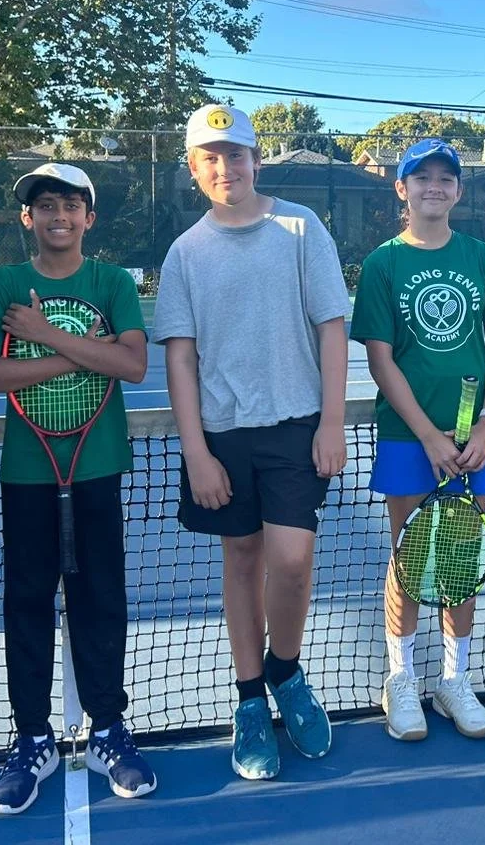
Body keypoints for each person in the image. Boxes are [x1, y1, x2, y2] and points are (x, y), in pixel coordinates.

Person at [156, 104, 352, 780]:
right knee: (241, 559)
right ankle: (249, 700)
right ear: (193, 169)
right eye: (210, 157)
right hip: (221, 435)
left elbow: (332, 328)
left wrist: (331, 421)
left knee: (292, 560)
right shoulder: (185, 252)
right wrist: (196, 452)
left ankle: (286, 672)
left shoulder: (301, 227)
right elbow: (180, 359)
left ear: (256, 159)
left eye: (235, 154)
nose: (224, 167)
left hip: (297, 425)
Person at [0, 163, 154, 812]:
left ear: (88, 218)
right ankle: (32, 739)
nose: (58, 217)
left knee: (102, 599)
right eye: (45, 206)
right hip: (28, 471)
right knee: (27, 603)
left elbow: (132, 362)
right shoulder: (8, 284)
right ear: (28, 218)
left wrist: (43, 336)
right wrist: (72, 347)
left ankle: (108, 730)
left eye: (70, 206)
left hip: (98, 465)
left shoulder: (110, 281)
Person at [350, 139, 485, 742]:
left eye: (446, 178)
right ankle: (401, 679)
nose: (435, 188)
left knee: (461, 558)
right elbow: (382, 361)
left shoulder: (481, 258)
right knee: (410, 555)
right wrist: (426, 435)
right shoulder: (383, 264)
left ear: (459, 191)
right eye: (423, 179)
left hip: (474, 440)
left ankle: (454, 679)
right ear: (402, 189)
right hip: (406, 438)